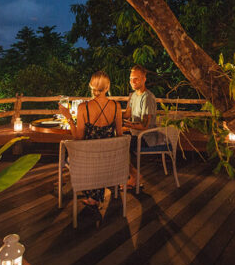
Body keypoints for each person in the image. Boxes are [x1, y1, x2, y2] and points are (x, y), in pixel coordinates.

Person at [59, 71, 123, 208]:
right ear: (107, 87)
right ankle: (95, 197)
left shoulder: (83, 107)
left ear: (91, 86)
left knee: (70, 154)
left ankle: (92, 197)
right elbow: (120, 135)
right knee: (99, 157)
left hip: (88, 161)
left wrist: (68, 117)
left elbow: (78, 137)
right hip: (109, 159)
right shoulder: (116, 106)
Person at [123, 65, 160, 188]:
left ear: (144, 79)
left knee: (120, 145)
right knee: (113, 139)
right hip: (134, 133)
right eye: (131, 79)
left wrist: (126, 124)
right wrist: (110, 112)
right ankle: (129, 175)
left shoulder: (147, 97)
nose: (132, 81)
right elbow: (127, 114)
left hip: (146, 137)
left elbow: (144, 126)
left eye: (136, 79)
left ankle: (134, 175)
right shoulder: (133, 96)